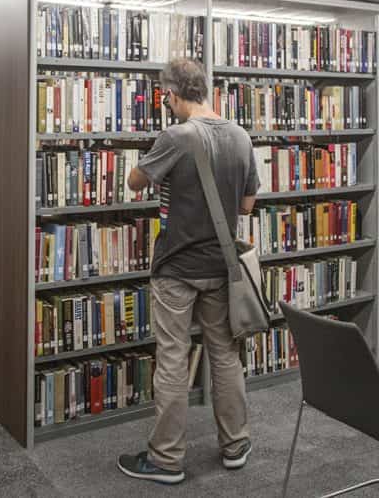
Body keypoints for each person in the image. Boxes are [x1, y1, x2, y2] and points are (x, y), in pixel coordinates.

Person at [117, 58, 258, 485]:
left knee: (174, 360)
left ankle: (166, 460)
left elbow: (134, 182)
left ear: (173, 95)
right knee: (225, 355)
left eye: (167, 99)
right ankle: (235, 445)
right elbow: (246, 206)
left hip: (177, 266)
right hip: (221, 266)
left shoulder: (176, 135)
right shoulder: (240, 136)